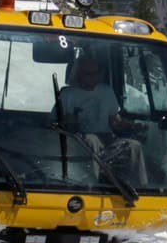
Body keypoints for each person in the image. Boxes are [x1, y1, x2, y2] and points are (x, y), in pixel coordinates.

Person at [57, 53, 148, 181]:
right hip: (79, 142)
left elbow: (115, 121)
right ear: (79, 74)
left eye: (96, 73)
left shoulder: (106, 91)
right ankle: (91, 186)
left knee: (133, 146)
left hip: (107, 140)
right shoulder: (67, 95)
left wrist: (134, 126)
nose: (93, 77)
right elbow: (54, 124)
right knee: (91, 140)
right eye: (88, 74)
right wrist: (67, 122)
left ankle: (139, 188)